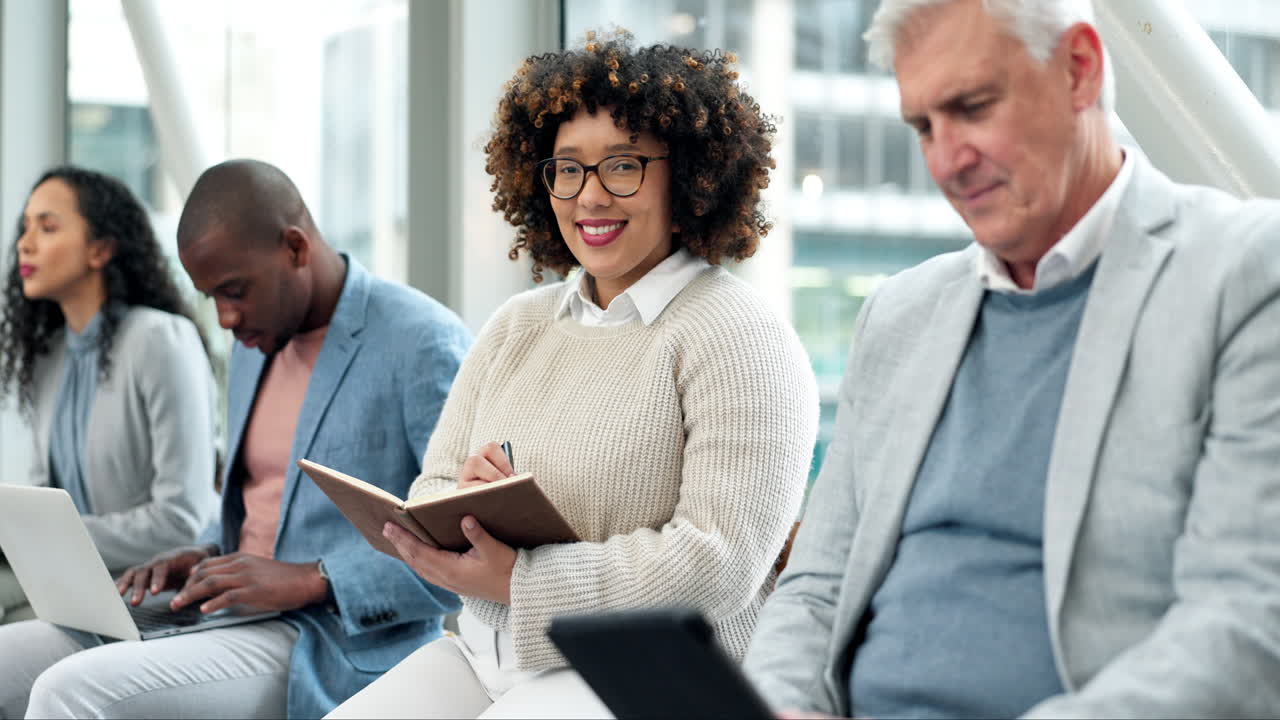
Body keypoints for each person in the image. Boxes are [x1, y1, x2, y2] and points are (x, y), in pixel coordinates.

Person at [744, 0, 1280, 717]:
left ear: (1079, 71)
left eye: (972, 107)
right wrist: (775, 705)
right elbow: (815, 589)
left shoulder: (1243, 272)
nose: (945, 160)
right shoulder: (902, 313)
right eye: (923, 126)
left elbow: (1245, 627)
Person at [328, 33, 819, 718]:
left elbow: (719, 563)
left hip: (644, 673)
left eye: (622, 166)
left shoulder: (740, 338)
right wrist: (466, 506)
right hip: (483, 651)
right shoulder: (518, 324)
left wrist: (522, 580)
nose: (589, 197)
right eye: (567, 169)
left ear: (689, 176)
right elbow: (431, 487)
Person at [0, 159, 472, 720]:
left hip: (326, 640)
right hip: (221, 614)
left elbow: (466, 552)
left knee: (70, 691)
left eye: (234, 291)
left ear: (295, 247)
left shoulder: (422, 342)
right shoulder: (256, 343)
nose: (225, 318)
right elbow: (257, 505)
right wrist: (202, 550)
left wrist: (312, 579)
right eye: (211, 298)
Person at [0, 165, 218, 626]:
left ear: (100, 249)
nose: (25, 242)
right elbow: (48, 498)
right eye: (25, 228)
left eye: (48, 226)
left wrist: (39, 534)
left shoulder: (161, 340)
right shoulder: (48, 357)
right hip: (70, 579)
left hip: (149, 588)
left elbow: (183, 520)